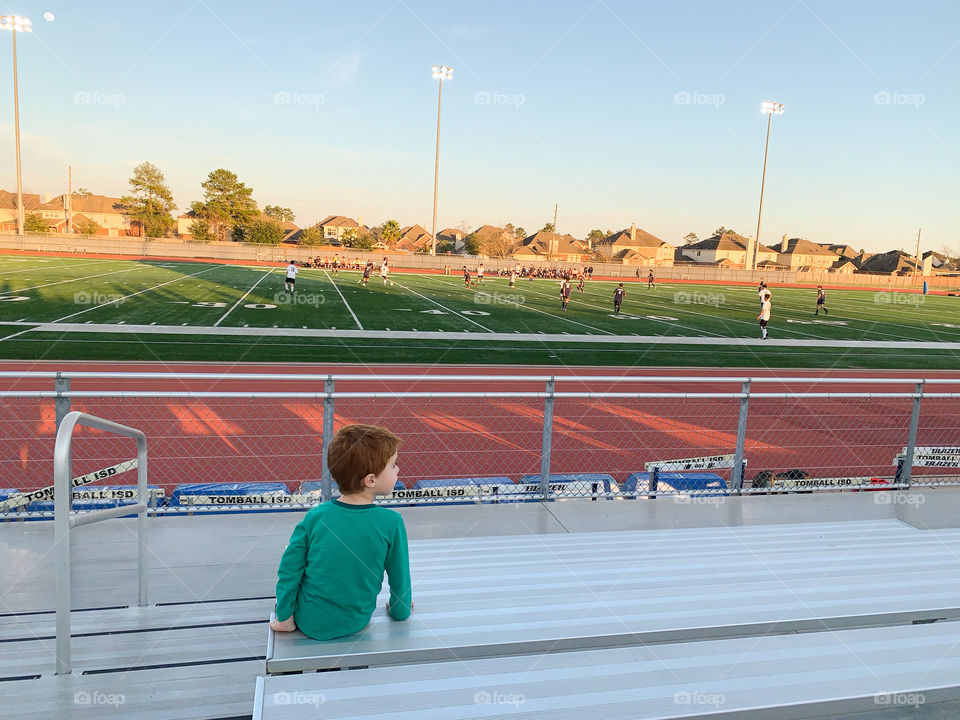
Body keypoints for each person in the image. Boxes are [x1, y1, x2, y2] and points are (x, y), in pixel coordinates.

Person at [270, 424, 412, 641]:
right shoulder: (391, 522)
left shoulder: (315, 516)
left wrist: (284, 617)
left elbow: (290, 568)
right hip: (356, 621)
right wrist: (399, 610)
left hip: (309, 621)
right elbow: (400, 576)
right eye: (394, 465)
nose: (398, 470)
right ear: (371, 480)